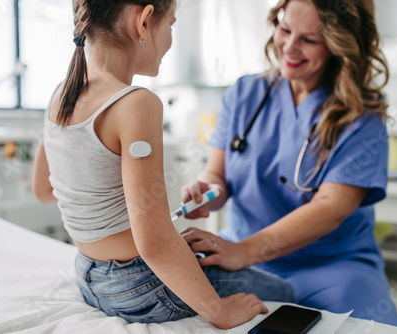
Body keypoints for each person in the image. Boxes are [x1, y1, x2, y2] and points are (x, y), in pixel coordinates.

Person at [32, 0, 293, 329]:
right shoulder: (136, 103)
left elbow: (44, 190)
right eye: (170, 24)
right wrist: (220, 312)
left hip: (88, 276)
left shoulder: (61, 94)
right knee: (283, 290)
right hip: (138, 285)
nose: (170, 38)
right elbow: (154, 243)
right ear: (144, 22)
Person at [180, 0, 397, 328]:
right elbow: (218, 173)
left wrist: (243, 251)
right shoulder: (245, 93)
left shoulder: (362, 116)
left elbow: (331, 207)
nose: (289, 46)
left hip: (331, 267)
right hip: (246, 261)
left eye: (309, 40)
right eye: (284, 29)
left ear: (339, 45)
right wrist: (208, 190)